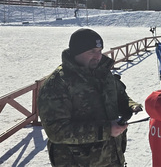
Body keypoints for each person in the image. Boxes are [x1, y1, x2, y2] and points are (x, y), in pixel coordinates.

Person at [37, 28, 143, 166]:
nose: (98, 56)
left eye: (99, 51)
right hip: (77, 162)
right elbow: (56, 131)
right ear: (77, 52)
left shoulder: (104, 74)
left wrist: (132, 106)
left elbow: (121, 97)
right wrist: (106, 130)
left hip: (112, 158)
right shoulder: (57, 84)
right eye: (92, 51)